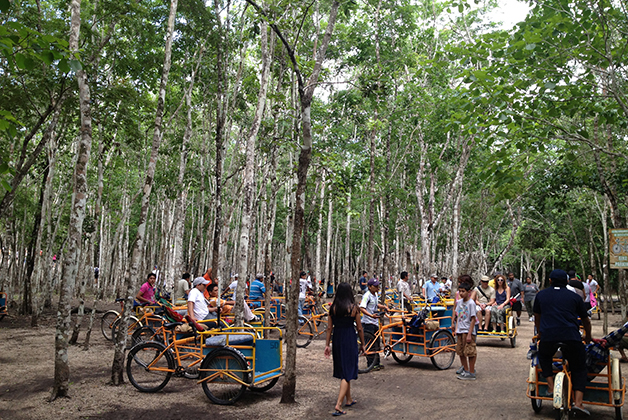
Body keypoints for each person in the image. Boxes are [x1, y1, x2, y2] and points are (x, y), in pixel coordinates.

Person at [534, 269, 592, 416]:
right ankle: (578, 403)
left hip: (549, 337)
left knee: (544, 356)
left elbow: (537, 317)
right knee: (579, 367)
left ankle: (551, 386)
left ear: (550, 281)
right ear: (567, 281)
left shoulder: (541, 295)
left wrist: (540, 333)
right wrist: (588, 336)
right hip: (571, 337)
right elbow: (586, 320)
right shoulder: (574, 297)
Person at [324, 282, 365, 416]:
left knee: (344, 368)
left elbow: (329, 328)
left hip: (337, 338)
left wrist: (327, 345)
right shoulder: (354, 308)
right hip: (349, 338)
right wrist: (363, 343)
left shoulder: (333, 308)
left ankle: (349, 399)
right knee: (348, 372)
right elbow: (359, 328)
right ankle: (338, 404)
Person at [359, 278, 389, 371]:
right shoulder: (366, 296)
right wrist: (371, 315)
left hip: (375, 322)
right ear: (369, 287)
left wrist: (383, 306)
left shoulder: (375, 295)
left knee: (376, 343)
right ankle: (370, 364)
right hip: (368, 323)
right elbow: (362, 308)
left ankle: (376, 363)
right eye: (375, 286)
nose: (377, 288)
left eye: (377, 286)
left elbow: (375, 305)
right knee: (370, 345)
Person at [455, 279, 477, 380]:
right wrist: (455, 328)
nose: (461, 293)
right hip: (460, 329)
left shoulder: (471, 303)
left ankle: (471, 372)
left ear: (469, 292)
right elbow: (457, 316)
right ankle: (466, 369)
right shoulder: (459, 302)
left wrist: (469, 334)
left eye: (463, 291)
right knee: (461, 351)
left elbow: (473, 319)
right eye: (460, 291)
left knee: (470, 351)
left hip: (468, 330)